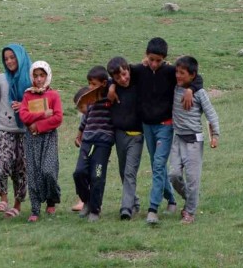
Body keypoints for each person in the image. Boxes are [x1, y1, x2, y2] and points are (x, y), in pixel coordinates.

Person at [111, 37, 202, 225]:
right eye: (151, 59)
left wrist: (191, 89)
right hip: (146, 126)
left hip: (165, 125)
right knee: (155, 165)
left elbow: (197, 77)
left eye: (158, 60)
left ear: (165, 59)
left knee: (159, 165)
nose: (154, 64)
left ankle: (153, 209)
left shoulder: (170, 72)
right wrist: (112, 86)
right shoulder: (137, 71)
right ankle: (172, 198)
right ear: (146, 56)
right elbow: (116, 70)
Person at [169, 56, 220, 224]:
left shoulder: (199, 92)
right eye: (177, 72)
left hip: (194, 142)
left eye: (182, 73)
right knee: (174, 175)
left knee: (192, 179)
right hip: (177, 139)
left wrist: (215, 135)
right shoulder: (175, 87)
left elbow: (211, 114)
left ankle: (189, 212)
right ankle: (191, 197)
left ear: (192, 75)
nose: (178, 76)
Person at [0, 44, 30, 218]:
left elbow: (38, 102)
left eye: (13, 57)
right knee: (1, 166)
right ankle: (3, 198)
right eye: (6, 59)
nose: (10, 61)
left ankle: (17, 205)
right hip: (3, 128)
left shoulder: (31, 78)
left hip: (25, 130)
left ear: (20, 57)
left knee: (21, 169)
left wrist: (24, 106)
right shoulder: (1, 79)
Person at [19, 61, 62, 222]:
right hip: (31, 138)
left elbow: (58, 117)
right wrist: (42, 115)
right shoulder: (27, 95)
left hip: (48, 137)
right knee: (34, 173)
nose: (38, 79)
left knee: (48, 171)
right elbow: (23, 115)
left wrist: (39, 126)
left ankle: (52, 198)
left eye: (42, 75)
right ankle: (35, 209)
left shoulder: (53, 95)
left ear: (47, 76)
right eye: (35, 76)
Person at [72, 66, 114, 222]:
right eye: (88, 83)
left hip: (103, 144)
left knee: (97, 175)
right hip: (87, 142)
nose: (89, 87)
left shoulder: (111, 96)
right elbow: (86, 119)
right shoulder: (89, 100)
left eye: (93, 84)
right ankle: (87, 202)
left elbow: (114, 81)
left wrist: (111, 87)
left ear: (103, 83)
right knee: (79, 173)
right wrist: (79, 135)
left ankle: (95, 210)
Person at [107, 57, 143, 220]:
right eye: (117, 78)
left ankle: (126, 208)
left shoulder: (138, 80)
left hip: (137, 135)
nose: (123, 79)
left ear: (128, 69)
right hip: (120, 134)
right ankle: (134, 202)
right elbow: (102, 80)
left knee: (130, 172)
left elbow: (141, 67)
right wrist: (111, 86)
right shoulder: (112, 86)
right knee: (123, 171)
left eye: (124, 73)